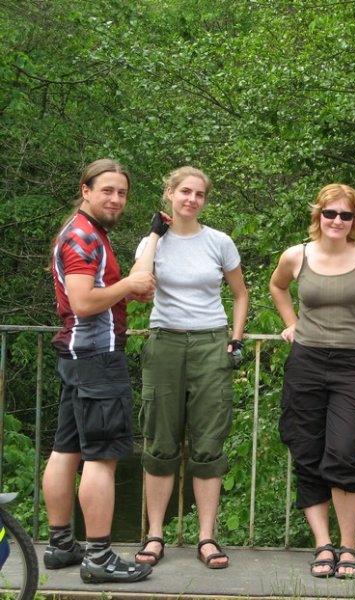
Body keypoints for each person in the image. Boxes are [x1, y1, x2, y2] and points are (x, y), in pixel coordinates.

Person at [269, 184, 355, 579]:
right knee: (307, 452)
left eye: (346, 215)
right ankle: (323, 545)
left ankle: (349, 546)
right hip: (306, 362)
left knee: (344, 452)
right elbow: (277, 286)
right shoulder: (296, 255)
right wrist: (291, 323)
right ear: (318, 215)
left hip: (353, 364)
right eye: (330, 213)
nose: (337, 221)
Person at [131, 166, 249, 570]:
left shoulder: (219, 241)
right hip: (164, 341)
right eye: (185, 191)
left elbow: (240, 293)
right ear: (169, 192)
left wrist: (235, 338)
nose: (192, 200)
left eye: (199, 194)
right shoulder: (153, 243)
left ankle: (207, 537)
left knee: (208, 442)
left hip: (210, 343)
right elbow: (137, 283)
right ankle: (155, 534)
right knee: (160, 440)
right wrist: (154, 234)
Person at [43, 159, 155, 584]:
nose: (116, 199)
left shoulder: (85, 231)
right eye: (107, 190)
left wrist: (125, 291)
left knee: (66, 450)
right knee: (102, 458)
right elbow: (83, 302)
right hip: (98, 358)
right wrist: (128, 286)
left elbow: (95, 296)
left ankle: (60, 545)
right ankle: (99, 557)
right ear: (85, 190)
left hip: (78, 357)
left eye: (122, 192)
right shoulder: (83, 236)